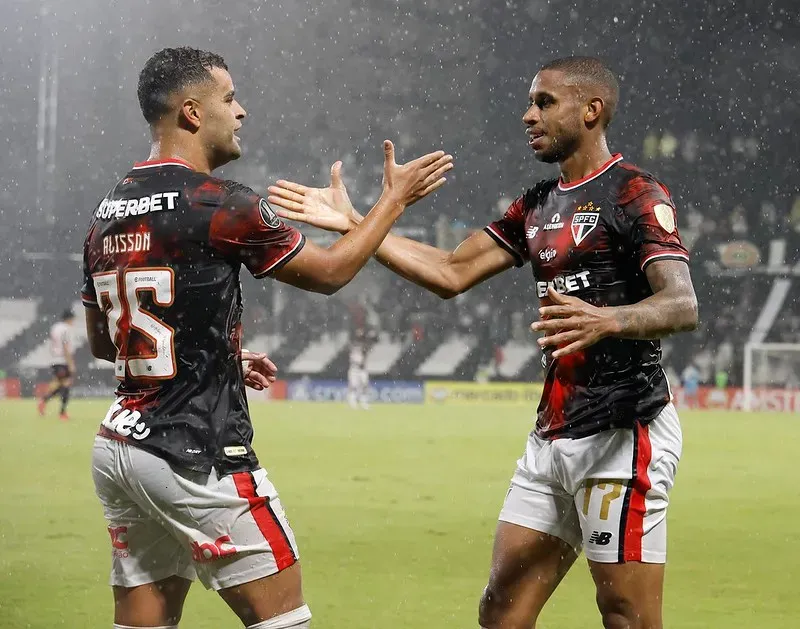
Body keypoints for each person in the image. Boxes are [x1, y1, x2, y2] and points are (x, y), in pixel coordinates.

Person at [268, 55, 698, 629]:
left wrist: (607, 320)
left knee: (625, 612)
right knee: (501, 610)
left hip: (623, 431)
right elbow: (450, 270)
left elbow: (682, 303)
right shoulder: (539, 203)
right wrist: (356, 222)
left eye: (544, 102)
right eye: (529, 101)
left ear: (593, 110)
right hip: (553, 433)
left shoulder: (636, 192)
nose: (528, 115)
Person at [81, 46, 452, 629]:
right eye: (229, 98)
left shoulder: (108, 211)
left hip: (120, 445)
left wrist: (212, 352)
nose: (242, 111)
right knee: (285, 622)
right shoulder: (221, 204)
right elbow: (331, 274)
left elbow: (108, 345)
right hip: (194, 451)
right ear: (192, 112)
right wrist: (393, 201)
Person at [38, 308, 76, 420]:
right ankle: (62, 412)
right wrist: (71, 363)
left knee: (62, 385)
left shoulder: (55, 327)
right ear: (69, 319)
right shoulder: (66, 329)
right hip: (62, 361)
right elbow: (65, 346)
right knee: (66, 385)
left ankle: (44, 401)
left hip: (54, 360)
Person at [347, 327, 375, 410]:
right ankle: (352, 402)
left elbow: (367, 349)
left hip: (361, 369)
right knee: (353, 386)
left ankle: (363, 402)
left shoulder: (364, 345)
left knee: (364, 386)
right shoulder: (354, 345)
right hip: (354, 368)